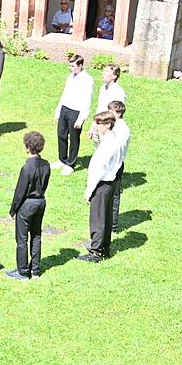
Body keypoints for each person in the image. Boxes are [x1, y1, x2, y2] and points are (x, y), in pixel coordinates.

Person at [5, 131, 50, 281]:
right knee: (36, 235)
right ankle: (35, 270)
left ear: (27, 147)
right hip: (40, 202)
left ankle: (23, 272)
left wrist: (13, 210)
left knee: (22, 239)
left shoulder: (27, 168)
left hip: (27, 204)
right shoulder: (46, 165)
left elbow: (20, 192)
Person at [80, 111, 122, 263]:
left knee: (97, 218)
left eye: (99, 124)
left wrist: (89, 191)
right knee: (106, 216)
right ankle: (104, 248)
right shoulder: (115, 139)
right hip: (110, 183)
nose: (97, 127)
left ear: (108, 124)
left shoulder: (108, 144)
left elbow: (98, 170)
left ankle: (95, 252)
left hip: (102, 184)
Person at [53, 54, 94, 176]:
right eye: (69, 65)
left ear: (80, 66)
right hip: (65, 108)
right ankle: (62, 159)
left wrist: (81, 119)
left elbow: (87, 100)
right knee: (61, 134)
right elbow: (64, 94)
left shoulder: (87, 80)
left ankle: (71, 163)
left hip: (76, 111)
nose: (70, 68)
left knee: (74, 138)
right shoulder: (70, 76)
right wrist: (58, 111)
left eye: (72, 65)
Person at [88, 64, 126, 147]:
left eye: (107, 71)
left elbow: (117, 112)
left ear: (114, 76)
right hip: (99, 122)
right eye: (104, 71)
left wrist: (110, 127)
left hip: (108, 125)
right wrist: (93, 125)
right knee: (97, 149)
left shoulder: (118, 91)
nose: (103, 74)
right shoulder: (102, 88)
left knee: (106, 148)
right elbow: (99, 108)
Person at [108, 100, 130, 234]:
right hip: (112, 163)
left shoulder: (122, 129)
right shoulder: (115, 125)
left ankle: (113, 225)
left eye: (110, 111)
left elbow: (118, 149)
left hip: (116, 164)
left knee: (114, 195)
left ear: (117, 112)